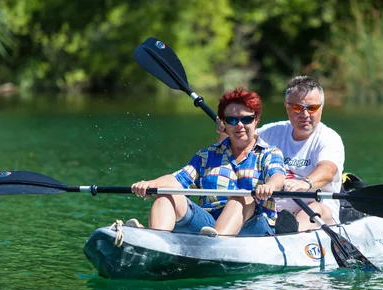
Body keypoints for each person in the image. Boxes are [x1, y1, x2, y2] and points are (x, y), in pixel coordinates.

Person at [128, 87, 286, 237]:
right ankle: (155, 242)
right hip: (209, 227)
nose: (239, 125)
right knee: (166, 192)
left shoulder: (269, 153)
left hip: (254, 227)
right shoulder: (206, 155)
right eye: (232, 120)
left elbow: (277, 177)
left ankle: (214, 245)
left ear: (256, 120)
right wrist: (150, 184)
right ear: (223, 123)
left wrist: (269, 186)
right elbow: (178, 180)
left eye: (246, 119)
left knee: (241, 197)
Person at [217, 76, 344, 231]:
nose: (305, 114)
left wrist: (305, 183)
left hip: (316, 210)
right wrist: (227, 131)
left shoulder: (329, 138)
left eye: (312, 108)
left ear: (321, 107)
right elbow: (237, 144)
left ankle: (292, 230)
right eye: (297, 108)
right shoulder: (271, 132)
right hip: (269, 210)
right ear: (287, 107)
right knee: (243, 198)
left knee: (317, 208)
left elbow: (328, 170)